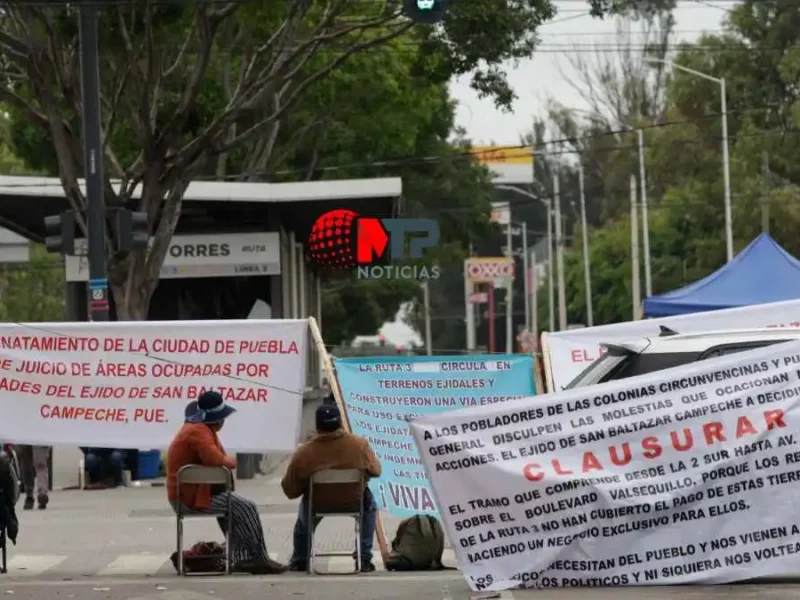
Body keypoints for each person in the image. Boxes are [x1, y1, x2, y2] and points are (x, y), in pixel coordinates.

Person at [167, 390, 286, 575]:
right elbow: (216, 460)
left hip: (197, 494)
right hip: (190, 499)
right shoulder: (198, 431)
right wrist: (231, 461)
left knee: (236, 508)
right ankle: (255, 559)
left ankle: (242, 556)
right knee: (246, 507)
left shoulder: (198, 428)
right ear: (218, 419)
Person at [281, 404, 381, 572]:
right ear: (340, 423)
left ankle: (300, 559)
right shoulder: (359, 445)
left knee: (305, 507)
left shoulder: (304, 452)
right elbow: (376, 470)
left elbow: (289, 489)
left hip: (318, 504)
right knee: (369, 504)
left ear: (317, 426)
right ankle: (364, 558)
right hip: (354, 503)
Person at [17, 445, 50, 510]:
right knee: (40, 465)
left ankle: (29, 495)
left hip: (24, 437)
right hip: (40, 436)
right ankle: (42, 492)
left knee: (26, 464)